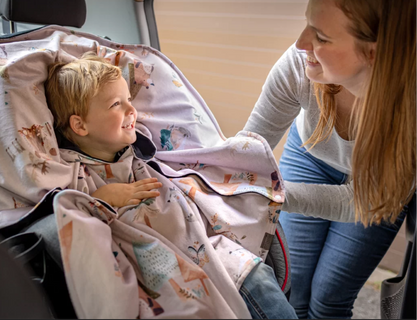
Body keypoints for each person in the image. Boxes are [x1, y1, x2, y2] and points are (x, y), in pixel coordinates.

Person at [44, 52, 298, 319]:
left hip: (204, 245)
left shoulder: (140, 148)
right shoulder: (75, 173)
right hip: (160, 269)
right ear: (80, 125)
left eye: (129, 100)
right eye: (116, 104)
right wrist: (103, 197)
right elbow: (72, 218)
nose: (132, 110)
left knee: (256, 275)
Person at [244, 0, 416, 318]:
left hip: (371, 188)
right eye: (307, 23)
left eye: (321, 37)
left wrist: (273, 195)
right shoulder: (298, 65)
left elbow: (359, 203)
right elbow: (244, 154)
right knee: (294, 290)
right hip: (310, 154)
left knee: (329, 300)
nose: (300, 43)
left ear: (374, 53)